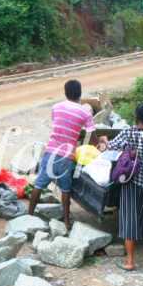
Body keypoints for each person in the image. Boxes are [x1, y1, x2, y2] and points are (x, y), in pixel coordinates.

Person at [102, 103, 143, 271]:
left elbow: (111, 146)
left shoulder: (130, 133)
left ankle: (129, 262)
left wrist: (104, 140)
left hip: (134, 181)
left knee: (130, 219)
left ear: (137, 117)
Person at [28, 79, 97, 229]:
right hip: (67, 157)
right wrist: (99, 143)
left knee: (39, 184)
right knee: (66, 189)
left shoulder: (56, 107)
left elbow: (59, 126)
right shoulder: (85, 113)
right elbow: (92, 136)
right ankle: (66, 221)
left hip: (50, 152)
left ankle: (30, 215)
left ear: (65, 93)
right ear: (80, 93)